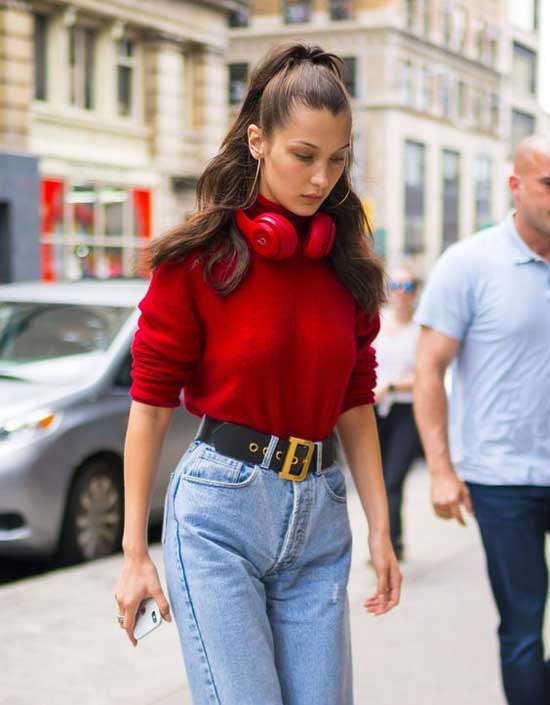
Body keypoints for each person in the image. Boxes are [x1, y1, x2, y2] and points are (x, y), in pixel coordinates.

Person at [114, 42, 401, 705]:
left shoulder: (346, 268)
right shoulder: (197, 262)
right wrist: (134, 553)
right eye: (304, 155)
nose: (320, 177)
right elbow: (150, 403)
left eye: (337, 160)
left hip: (322, 516)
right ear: (257, 141)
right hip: (219, 516)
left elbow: (356, 401)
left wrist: (381, 527)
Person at [413, 135, 550, 705]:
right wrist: (442, 471)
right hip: (502, 479)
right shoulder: (469, 263)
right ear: (515, 186)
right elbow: (428, 370)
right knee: (522, 626)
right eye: (549, 184)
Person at [373, 265, 422, 561]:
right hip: (373, 409)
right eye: (395, 286)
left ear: (414, 293)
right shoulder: (375, 323)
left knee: (394, 478)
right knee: (376, 478)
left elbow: (427, 376)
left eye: (406, 288)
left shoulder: (421, 330)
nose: (400, 294)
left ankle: (391, 543)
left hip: (406, 409)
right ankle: (386, 539)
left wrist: (390, 387)